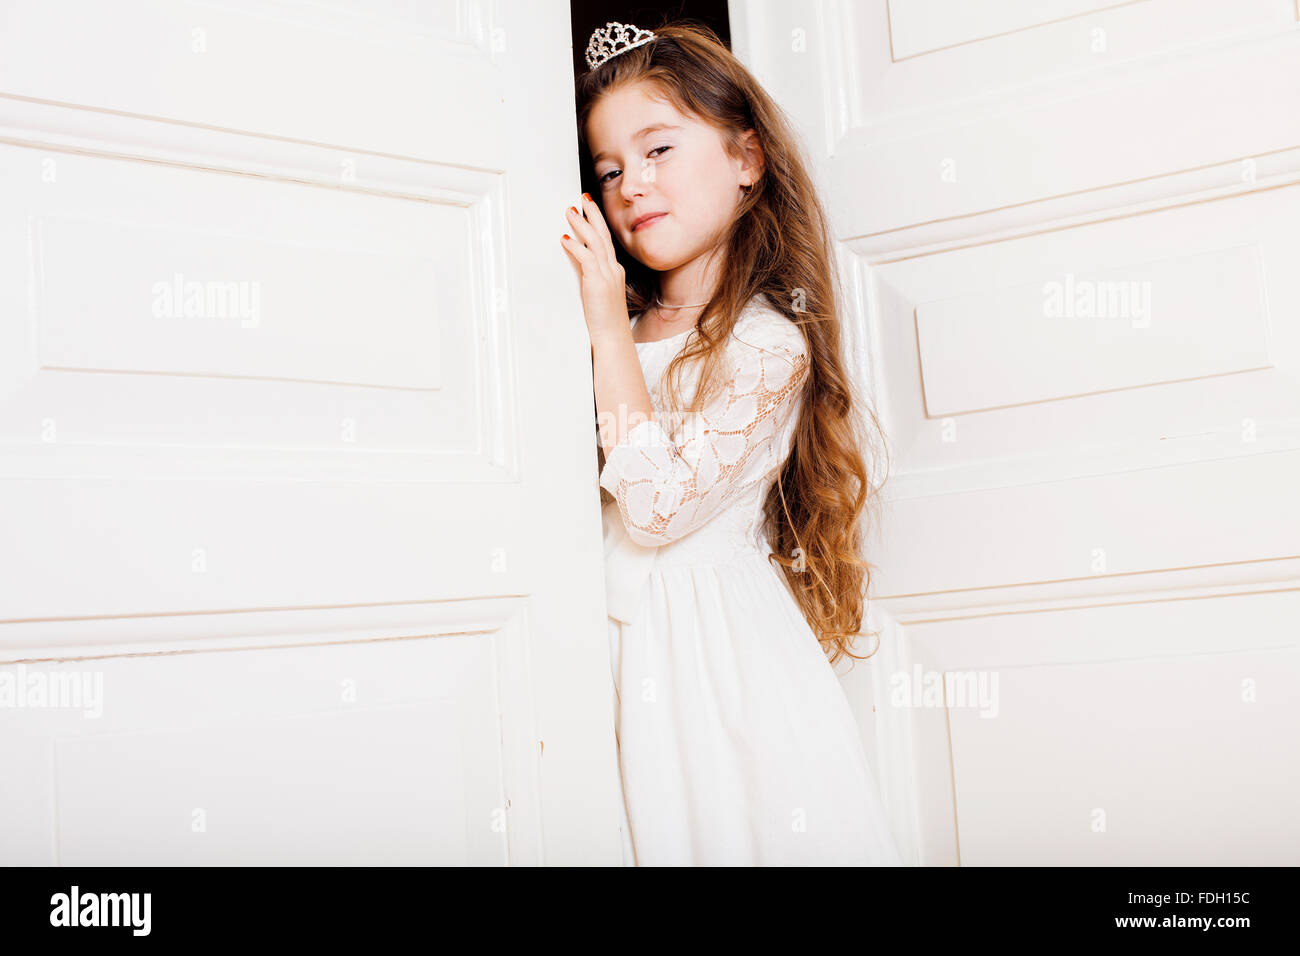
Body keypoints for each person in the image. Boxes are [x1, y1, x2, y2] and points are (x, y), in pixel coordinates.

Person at [562, 19, 904, 867]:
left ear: (746, 160)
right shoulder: (599, 323)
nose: (631, 184)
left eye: (659, 150)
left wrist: (608, 326)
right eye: (609, 170)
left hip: (712, 661)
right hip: (600, 634)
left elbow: (657, 508)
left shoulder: (766, 344)